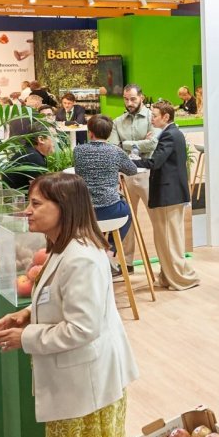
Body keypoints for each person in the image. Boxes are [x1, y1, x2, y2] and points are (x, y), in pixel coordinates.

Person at [0, 173, 139, 437]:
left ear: (64, 207)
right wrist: (27, 314)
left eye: (36, 204)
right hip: (80, 384)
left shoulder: (81, 257)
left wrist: (26, 337)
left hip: (88, 387)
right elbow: (62, 300)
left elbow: (83, 327)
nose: (27, 211)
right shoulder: (62, 246)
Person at [146, 101, 199, 291]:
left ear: (166, 117)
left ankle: (181, 278)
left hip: (168, 193)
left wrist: (135, 161)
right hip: (171, 193)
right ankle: (168, 276)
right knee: (168, 238)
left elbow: (156, 161)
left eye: (154, 115)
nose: (151, 118)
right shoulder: (173, 133)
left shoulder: (169, 134)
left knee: (169, 239)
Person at [73, 114, 139, 242]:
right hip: (111, 209)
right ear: (109, 135)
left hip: (85, 211)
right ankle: (110, 248)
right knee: (128, 212)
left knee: (97, 228)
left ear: (90, 133)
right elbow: (132, 170)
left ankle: (97, 247)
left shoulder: (78, 151)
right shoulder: (116, 151)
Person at [2, 120, 53, 190]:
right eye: (54, 137)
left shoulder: (29, 152)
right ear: (41, 139)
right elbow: (40, 191)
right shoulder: (33, 157)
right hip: (19, 200)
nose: (57, 141)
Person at [112, 85, 156, 157]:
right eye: (126, 99)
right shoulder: (117, 122)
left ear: (142, 98)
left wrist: (122, 144)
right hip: (124, 167)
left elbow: (152, 145)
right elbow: (114, 149)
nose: (129, 103)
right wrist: (143, 144)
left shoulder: (153, 118)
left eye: (133, 99)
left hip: (148, 167)